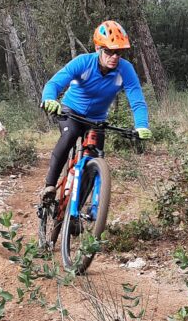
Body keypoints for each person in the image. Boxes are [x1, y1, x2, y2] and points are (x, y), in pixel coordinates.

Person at [39, 20, 152, 205]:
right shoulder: (83, 62)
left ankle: (76, 210)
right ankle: (49, 186)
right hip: (72, 112)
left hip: (97, 120)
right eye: (109, 51)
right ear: (99, 48)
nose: (114, 56)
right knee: (69, 136)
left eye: (119, 52)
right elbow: (55, 83)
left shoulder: (126, 70)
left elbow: (137, 101)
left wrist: (141, 125)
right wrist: (50, 98)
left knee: (95, 160)